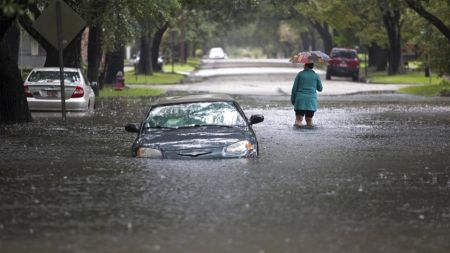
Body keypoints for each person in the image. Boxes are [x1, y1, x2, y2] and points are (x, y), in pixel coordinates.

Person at [291, 62, 323, 127]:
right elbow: (320, 89)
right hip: (311, 102)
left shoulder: (300, 74)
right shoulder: (316, 75)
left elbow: (294, 89)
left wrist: (293, 100)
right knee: (309, 121)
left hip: (300, 101)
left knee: (298, 121)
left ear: (305, 65)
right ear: (312, 66)